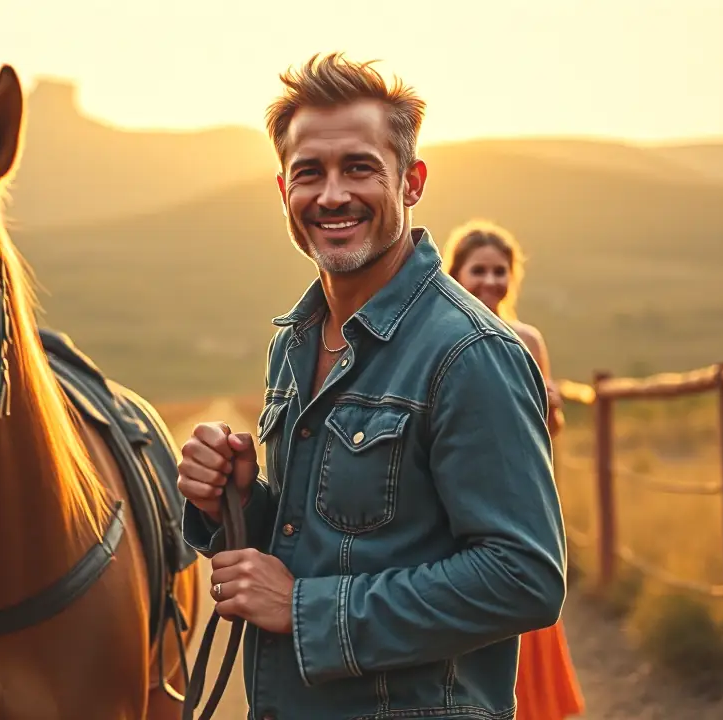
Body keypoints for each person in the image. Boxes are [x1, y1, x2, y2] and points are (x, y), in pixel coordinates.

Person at [175, 52, 567, 719]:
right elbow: (326, 541)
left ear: (411, 182)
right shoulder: (294, 344)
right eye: (310, 173)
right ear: (283, 191)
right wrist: (235, 503)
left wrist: (304, 609)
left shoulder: (470, 352)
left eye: (359, 167)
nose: (331, 195)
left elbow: (523, 578)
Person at [442, 219, 585, 720]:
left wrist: (551, 407)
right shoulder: (439, 338)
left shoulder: (529, 340)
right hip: (459, 503)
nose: (490, 281)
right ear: (455, 274)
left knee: (527, 605)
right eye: (478, 270)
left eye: (499, 271)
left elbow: (549, 432)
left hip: (519, 501)